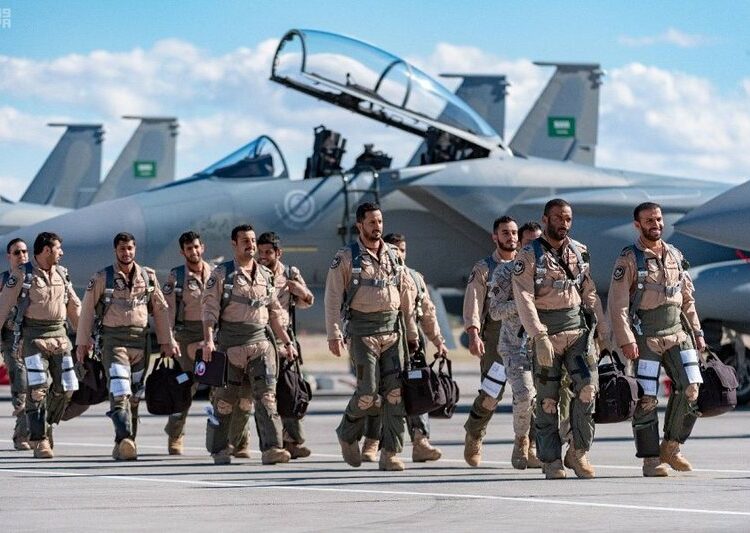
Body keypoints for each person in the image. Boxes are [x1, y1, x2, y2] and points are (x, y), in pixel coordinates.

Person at [607, 202, 706, 477]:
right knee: (647, 398)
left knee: (692, 388)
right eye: (649, 220)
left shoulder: (675, 255)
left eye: (659, 219)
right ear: (637, 225)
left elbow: (687, 299)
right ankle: (651, 459)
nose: (656, 224)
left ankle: (671, 446)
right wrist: (626, 340)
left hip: (678, 332)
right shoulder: (629, 259)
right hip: (645, 337)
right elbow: (618, 304)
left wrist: (697, 332)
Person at [512, 199, 606, 479]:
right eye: (557, 218)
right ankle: (551, 459)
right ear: (545, 219)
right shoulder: (528, 255)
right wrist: (538, 335)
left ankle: (578, 452)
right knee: (548, 401)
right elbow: (524, 297)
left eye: (567, 218)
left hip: (578, 333)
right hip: (547, 335)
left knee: (588, 390)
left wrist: (602, 329)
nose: (563, 223)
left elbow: (589, 291)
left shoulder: (579, 251)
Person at [324, 202, 418, 471]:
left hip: (393, 331)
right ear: (360, 225)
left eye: (380, 222)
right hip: (363, 333)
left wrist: (411, 331)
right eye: (372, 222)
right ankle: (347, 434)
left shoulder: (393, 255)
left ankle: (391, 453)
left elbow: (405, 295)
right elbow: (332, 297)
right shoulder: (346, 258)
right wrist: (333, 334)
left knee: (395, 393)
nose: (377, 227)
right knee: (367, 393)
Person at [201, 224, 297, 465]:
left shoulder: (265, 275)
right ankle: (219, 448)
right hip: (230, 346)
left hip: (261, 344)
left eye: (253, 240)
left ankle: (272, 448)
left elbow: (274, 313)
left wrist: (287, 342)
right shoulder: (221, 275)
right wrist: (209, 341)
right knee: (225, 401)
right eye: (245, 240)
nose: (251, 245)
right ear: (234, 244)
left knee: (267, 398)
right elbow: (209, 311)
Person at [76, 232, 178, 461]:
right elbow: (87, 310)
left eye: (130, 248)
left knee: (135, 395)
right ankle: (125, 439)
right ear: (116, 250)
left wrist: (167, 341)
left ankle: (125, 443)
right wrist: (82, 343)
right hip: (114, 342)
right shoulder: (102, 277)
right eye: (122, 249)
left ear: (135, 249)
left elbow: (160, 309)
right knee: (120, 389)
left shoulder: (148, 276)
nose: (126, 253)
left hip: (141, 342)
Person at [0, 232, 80, 459]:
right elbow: (2, 307)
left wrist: (85, 338)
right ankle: (39, 439)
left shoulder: (62, 273)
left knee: (68, 386)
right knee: (36, 389)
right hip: (31, 338)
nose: (61, 252)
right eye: (58, 248)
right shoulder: (20, 276)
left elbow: (74, 305)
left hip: (60, 337)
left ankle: (45, 425)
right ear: (46, 250)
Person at [377, 232, 447, 463]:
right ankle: (372, 440)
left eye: (403, 250)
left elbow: (427, 311)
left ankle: (420, 441)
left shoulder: (415, 278)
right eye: (394, 249)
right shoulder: (377, 278)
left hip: (413, 343)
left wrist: (438, 341)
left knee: (419, 389)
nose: (399, 254)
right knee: (383, 392)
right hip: (386, 342)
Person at [485, 221, 544, 469]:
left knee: (544, 400)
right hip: (514, 346)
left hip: (543, 346)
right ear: (520, 244)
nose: (534, 247)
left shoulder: (549, 272)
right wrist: (522, 302)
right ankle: (521, 441)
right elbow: (495, 311)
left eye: (538, 242)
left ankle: (535, 446)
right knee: (524, 395)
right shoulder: (504, 272)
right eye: (528, 242)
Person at [463, 216, 519, 467]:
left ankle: (527, 445)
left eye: (514, 232)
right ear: (495, 237)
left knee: (530, 393)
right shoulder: (484, 268)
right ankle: (474, 433)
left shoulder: (526, 264)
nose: (511, 237)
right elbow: (473, 302)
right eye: (505, 233)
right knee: (492, 391)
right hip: (496, 334)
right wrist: (473, 334)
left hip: (524, 333)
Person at [256, 231, 315, 459]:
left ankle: (293, 442)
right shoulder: (253, 273)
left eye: (268, 252)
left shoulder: (290, 273)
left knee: (290, 390)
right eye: (260, 252)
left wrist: (300, 291)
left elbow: (307, 301)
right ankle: (271, 445)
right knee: (265, 394)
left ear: (278, 253)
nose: (263, 256)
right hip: (260, 338)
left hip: (285, 341)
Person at [161, 231, 213, 455]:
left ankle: (233, 439)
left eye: (196, 247)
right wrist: (169, 339)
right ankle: (175, 435)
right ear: (182, 252)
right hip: (186, 337)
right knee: (185, 386)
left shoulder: (215, 274)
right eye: (189, 248)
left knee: (222, 388)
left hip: (211, 335)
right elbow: (168, 311)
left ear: (203, 247)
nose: (194, 251)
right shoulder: (177, 277)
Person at [1, 238, 30, 450]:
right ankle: (22, 435)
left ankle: (38, 432)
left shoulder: (35, 278)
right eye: (17, 253)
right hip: (11, 339)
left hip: (34, 337)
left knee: (39, 386)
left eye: (24, 252)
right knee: (21, 384)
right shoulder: (3, 281)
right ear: (9, 257)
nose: (22, 256)